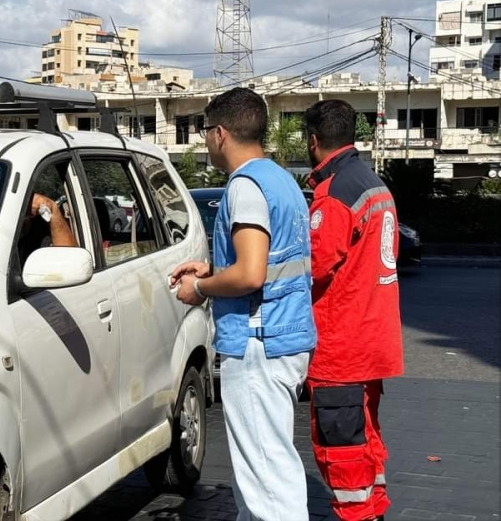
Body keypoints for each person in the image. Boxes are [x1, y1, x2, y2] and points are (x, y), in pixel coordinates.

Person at [170, 87, 316, 520]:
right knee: (267, 473)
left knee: (268, 483)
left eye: (205, 132)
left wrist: (200, 288)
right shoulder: (280, 180)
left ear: (219, 133)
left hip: (257, 343)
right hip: (282, 335)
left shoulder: (245, 186)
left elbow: (251, 274)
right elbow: (269, 261)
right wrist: (214, 268)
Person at [303, 99, 404, 521]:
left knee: (341, 449)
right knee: (365, 443)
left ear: (313, 141)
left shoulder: (334, 194)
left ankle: (360, 515)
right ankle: (373, 511)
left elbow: (314, 266)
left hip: (341, 346)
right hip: (373, 338)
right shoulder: (374, 184)